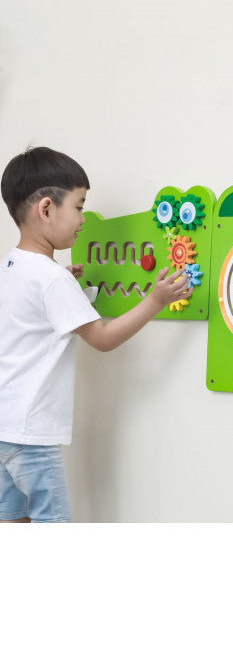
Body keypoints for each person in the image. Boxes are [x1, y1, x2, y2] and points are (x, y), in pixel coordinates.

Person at [0, 146, 191, 523]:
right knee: (54, 523)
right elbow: (102, 338)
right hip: (32, 436)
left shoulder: (12, 265)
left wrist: (61, 285)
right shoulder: (52, 280)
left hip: (4, 427)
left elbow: (28, 316)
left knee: (11, 519)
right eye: (79, 206)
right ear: (46, 209)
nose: (83, 219)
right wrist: (155, 300)